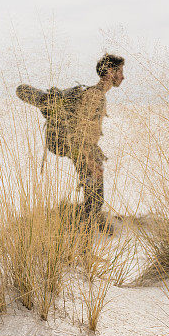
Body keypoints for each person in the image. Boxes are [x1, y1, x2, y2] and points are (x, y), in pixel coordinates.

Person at [69, 54, 125, 233]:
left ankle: (82, 249)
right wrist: (89, 160)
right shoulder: (94, 95)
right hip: (85, 154)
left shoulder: (98, 94)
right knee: (93, 202)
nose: (123, 77)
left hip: (89, 153)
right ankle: (82, 252)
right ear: (110, 72)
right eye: (120, 71)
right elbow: (80, 130)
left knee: (93, 201)